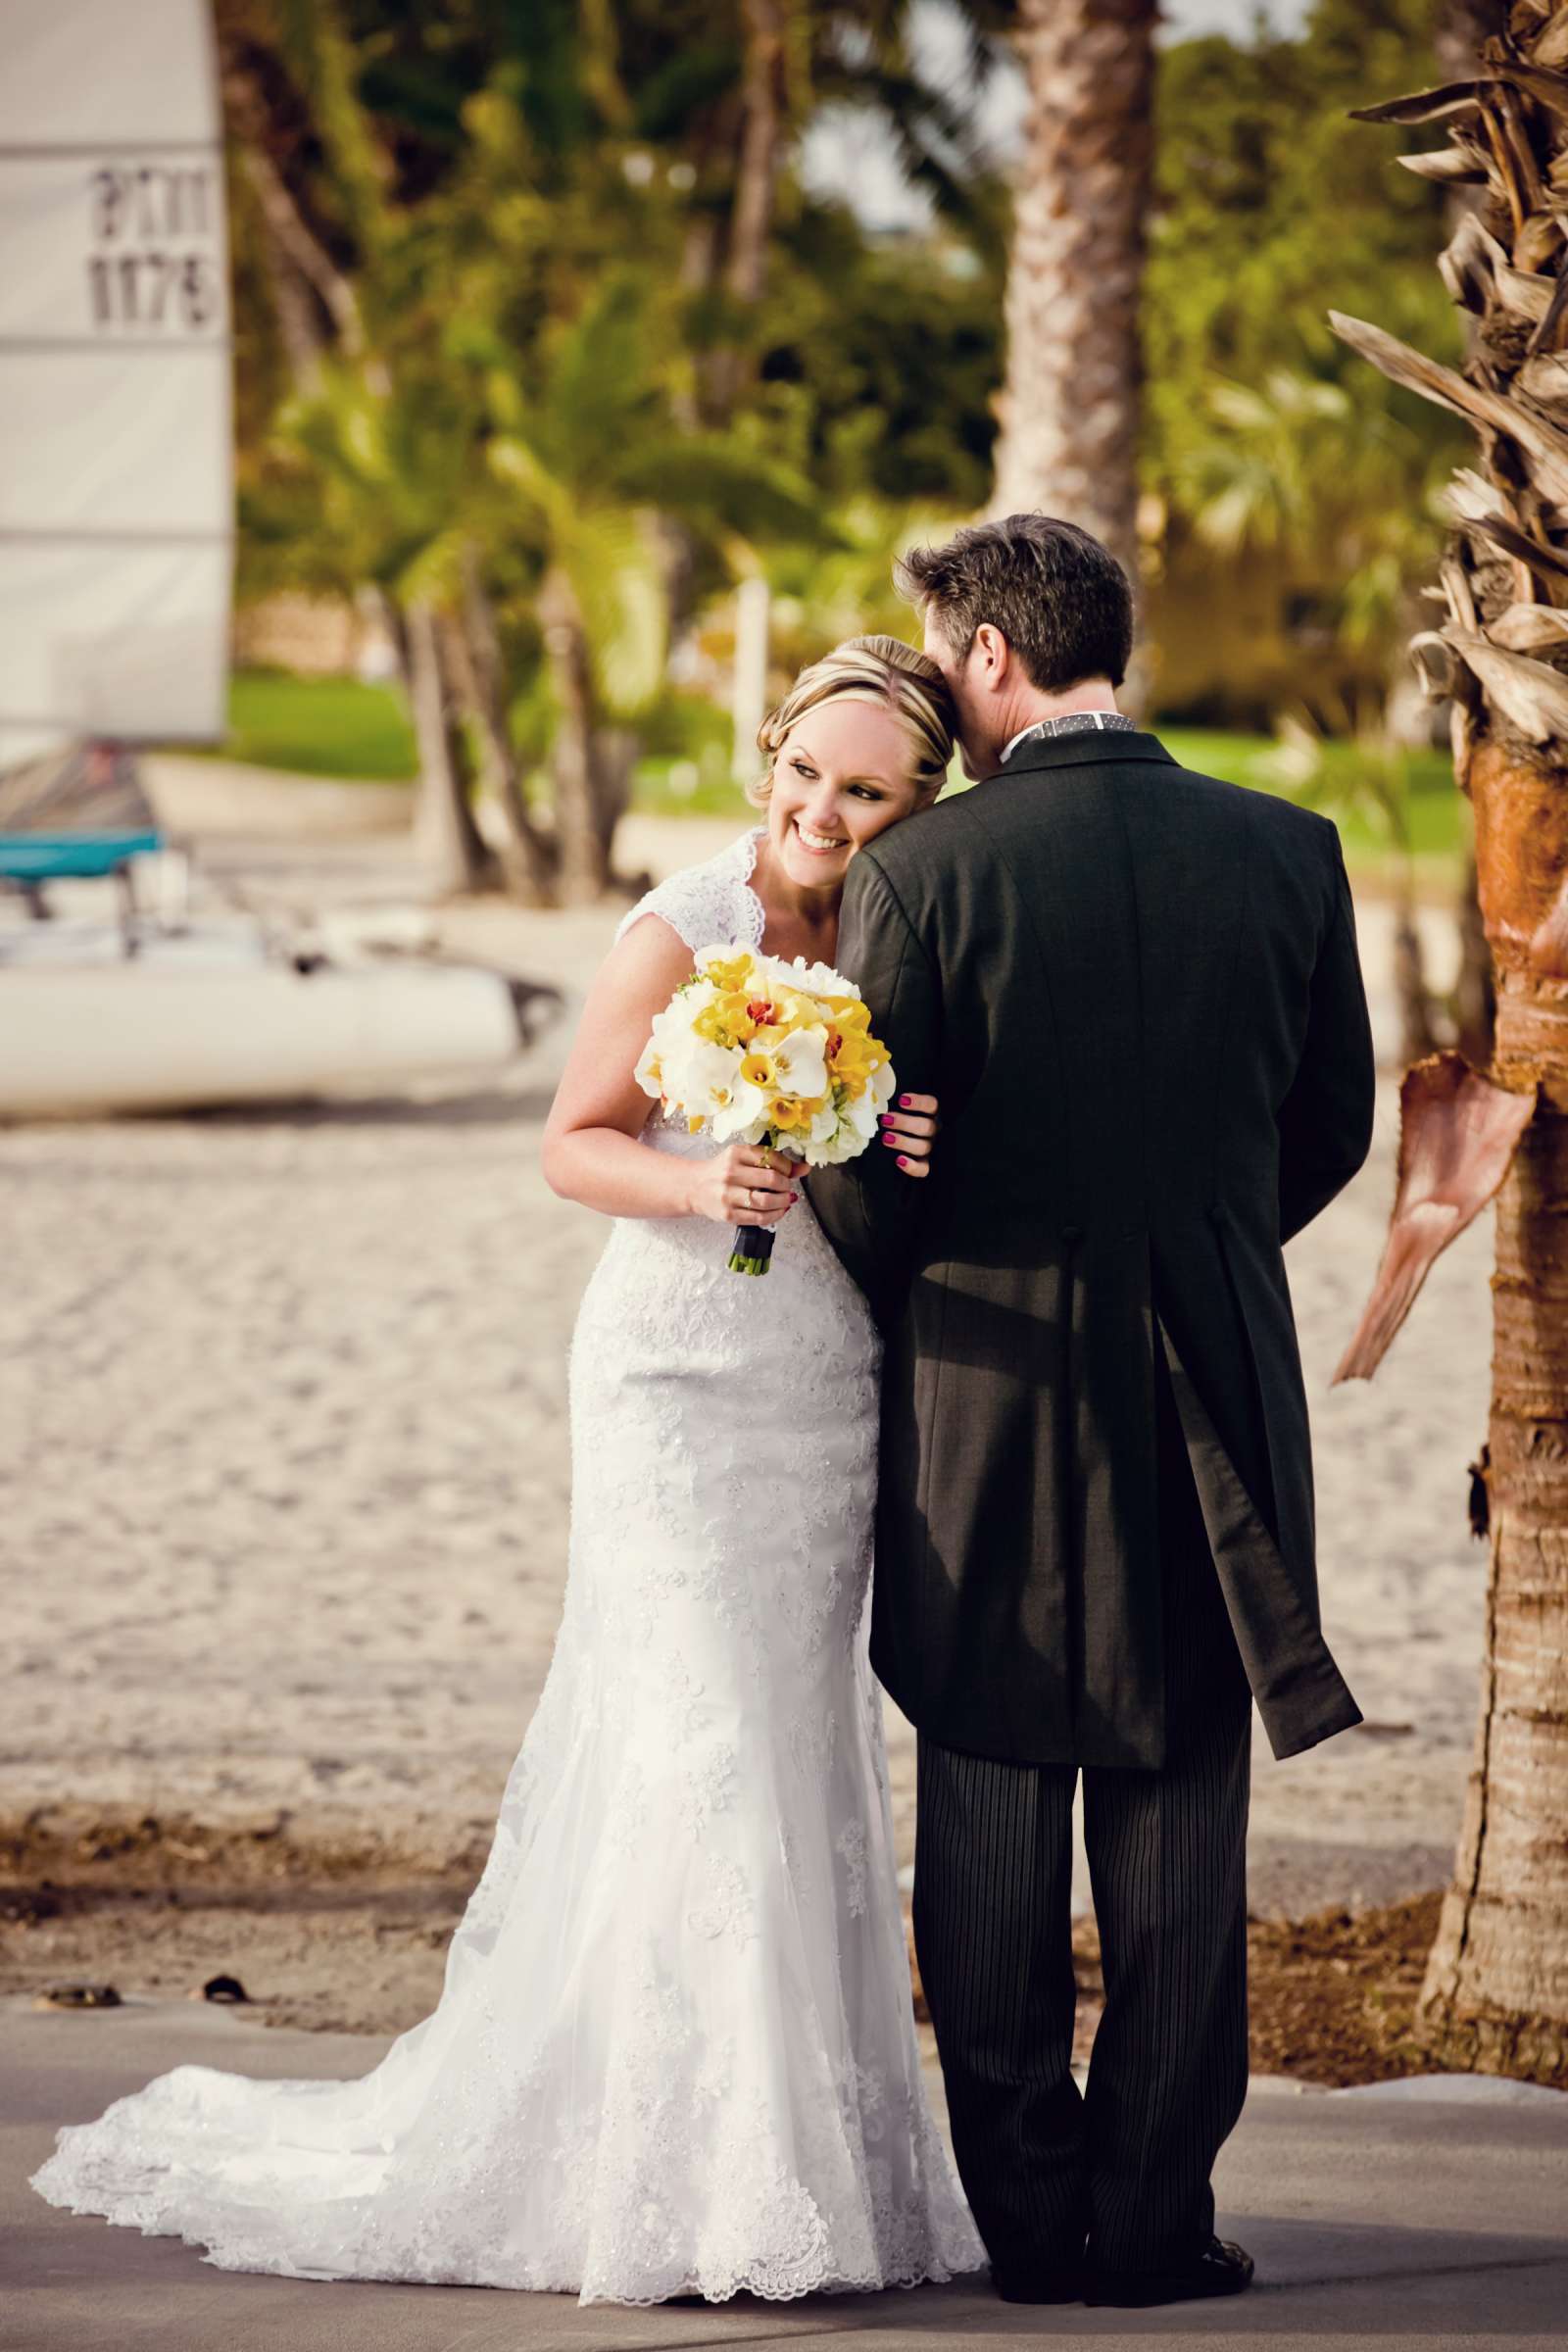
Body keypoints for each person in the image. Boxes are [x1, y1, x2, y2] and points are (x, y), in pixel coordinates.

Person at [29, 635, 987, 2304]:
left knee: (789, 1742)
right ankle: (682, 2174)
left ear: (919, 803)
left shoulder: (905, 935)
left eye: (869, 789)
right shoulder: (681, 928)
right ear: (767, 758)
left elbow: (908, 1146)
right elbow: (572, 1142)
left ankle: (801, 2166)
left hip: (825, 1383)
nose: (826, 811)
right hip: (678, 1376)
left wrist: (898, 1131)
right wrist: (703, 1190)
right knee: (699, 1737)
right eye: (808, 775)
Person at [808, 515, 1376, 2311]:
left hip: (987, 1399)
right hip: (1217, 1383)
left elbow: (872, 1173)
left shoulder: (926, 878)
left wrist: (911, 1225)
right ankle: (1152, 2226)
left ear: (986, 656)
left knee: (987, 1802)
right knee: (1183, 1814)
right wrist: (1195, 1245)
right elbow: (1332, 1125)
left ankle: (1032, 2227)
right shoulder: (1290, 850)